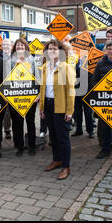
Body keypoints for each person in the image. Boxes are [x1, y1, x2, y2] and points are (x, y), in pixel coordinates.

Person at [39, 39, 75, 180]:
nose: (52, 51)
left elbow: (71, 90)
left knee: (62, 137)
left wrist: (69, 111)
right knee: (53, 136)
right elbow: (43, 89)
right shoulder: (45, 66)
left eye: (55, 49)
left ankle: (66, 166)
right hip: (47, 105)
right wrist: (41, 108)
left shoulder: (65, 67)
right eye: (49, 49)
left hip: (60, 106)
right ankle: (57, 160)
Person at [9, 38, 38, 156]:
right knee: (17, 123)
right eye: (17, 46)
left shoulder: (32, 60)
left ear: (26, 47)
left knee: (30, 122)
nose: (19, 47)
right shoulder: (10, 60)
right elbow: (7, 78)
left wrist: (38, 94)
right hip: (15, 97)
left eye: (22, 45)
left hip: (30, 96)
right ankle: (19, 147)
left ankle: (32, 146)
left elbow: (37, 77)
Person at [1, 39, 13, 140]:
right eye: (4, 44)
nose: (6, 46)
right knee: (6, 111)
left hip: (15, 87)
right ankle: (7, 130)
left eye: (7, 45)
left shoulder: (16, 57)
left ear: (11, 46)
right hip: (2, 87)